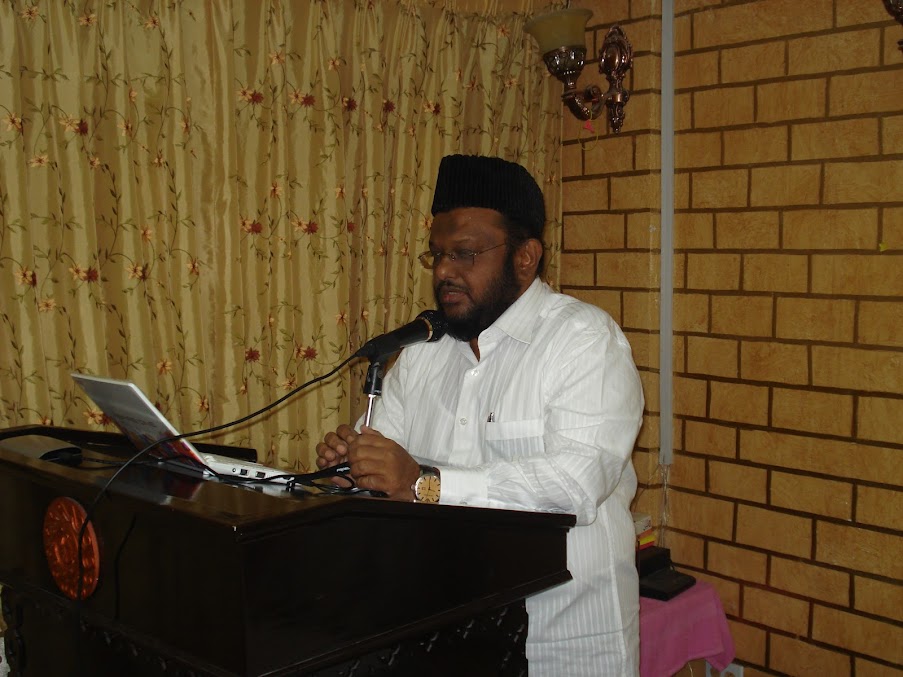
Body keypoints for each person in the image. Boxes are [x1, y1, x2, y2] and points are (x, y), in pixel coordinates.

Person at [315, 154, 644, 676]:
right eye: (437, 255)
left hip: (561, 640)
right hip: (445, 639)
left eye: (465, 254)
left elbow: (576, 484)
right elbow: (386, 465)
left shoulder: (583, 341)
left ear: (525, 256)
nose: (445, 271)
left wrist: (423, 482)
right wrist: (352, 468)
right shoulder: (422, 353)